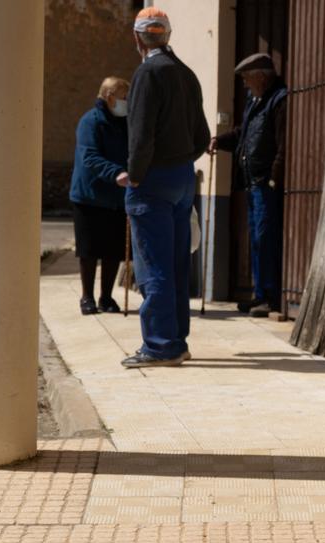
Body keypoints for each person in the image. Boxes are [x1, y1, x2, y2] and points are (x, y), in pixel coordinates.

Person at [116, 7, 210, 368]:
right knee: (174, 263)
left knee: (152, 264)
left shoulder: (147, 73)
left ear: (137, 37)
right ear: (167, 36)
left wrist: (136, 174)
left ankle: (159, 346)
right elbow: (202, 135)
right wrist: (183, 158)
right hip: (182, 176)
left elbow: (140, 135)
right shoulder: (186, 74)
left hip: (152, 179)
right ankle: (176, 341)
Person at [209, 53, 288, 317]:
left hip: (266, 182)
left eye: (247, 78)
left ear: (262, 77)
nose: (244, 84)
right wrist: (218, 141)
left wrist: (275, 177)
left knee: (266, 238)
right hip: (252, 182)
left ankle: (270, 296)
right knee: (256, 239)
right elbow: (242, 133)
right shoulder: (255, 102)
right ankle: (260, 295)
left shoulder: (279, 100)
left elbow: (283, 145)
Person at [68, 76, 130, 315]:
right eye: (124, 97)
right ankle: (87, 297)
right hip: (89, 196)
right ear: (109, 97)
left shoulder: (124, 123)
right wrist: (116, 173)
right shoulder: (90, 122)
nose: (126, 103)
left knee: (113, 250)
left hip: (116, 196)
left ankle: (106, 297)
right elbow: (90, 156)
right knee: (89, 250)